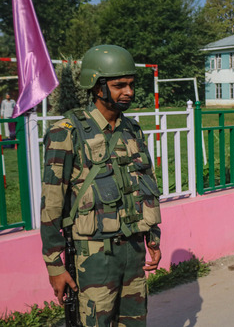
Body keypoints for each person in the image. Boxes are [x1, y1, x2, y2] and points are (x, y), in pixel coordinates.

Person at [40, 45, 162, 326]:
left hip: (133, 252)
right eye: (119, 85)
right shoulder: (65, 134)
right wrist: (55, 266)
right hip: (93, 258)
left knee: (134, 322)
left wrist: (153, 237)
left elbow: (145, 187)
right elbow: (51, 204)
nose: (129, 92)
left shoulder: (132, 129)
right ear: (96, 87)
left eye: (131, 84)